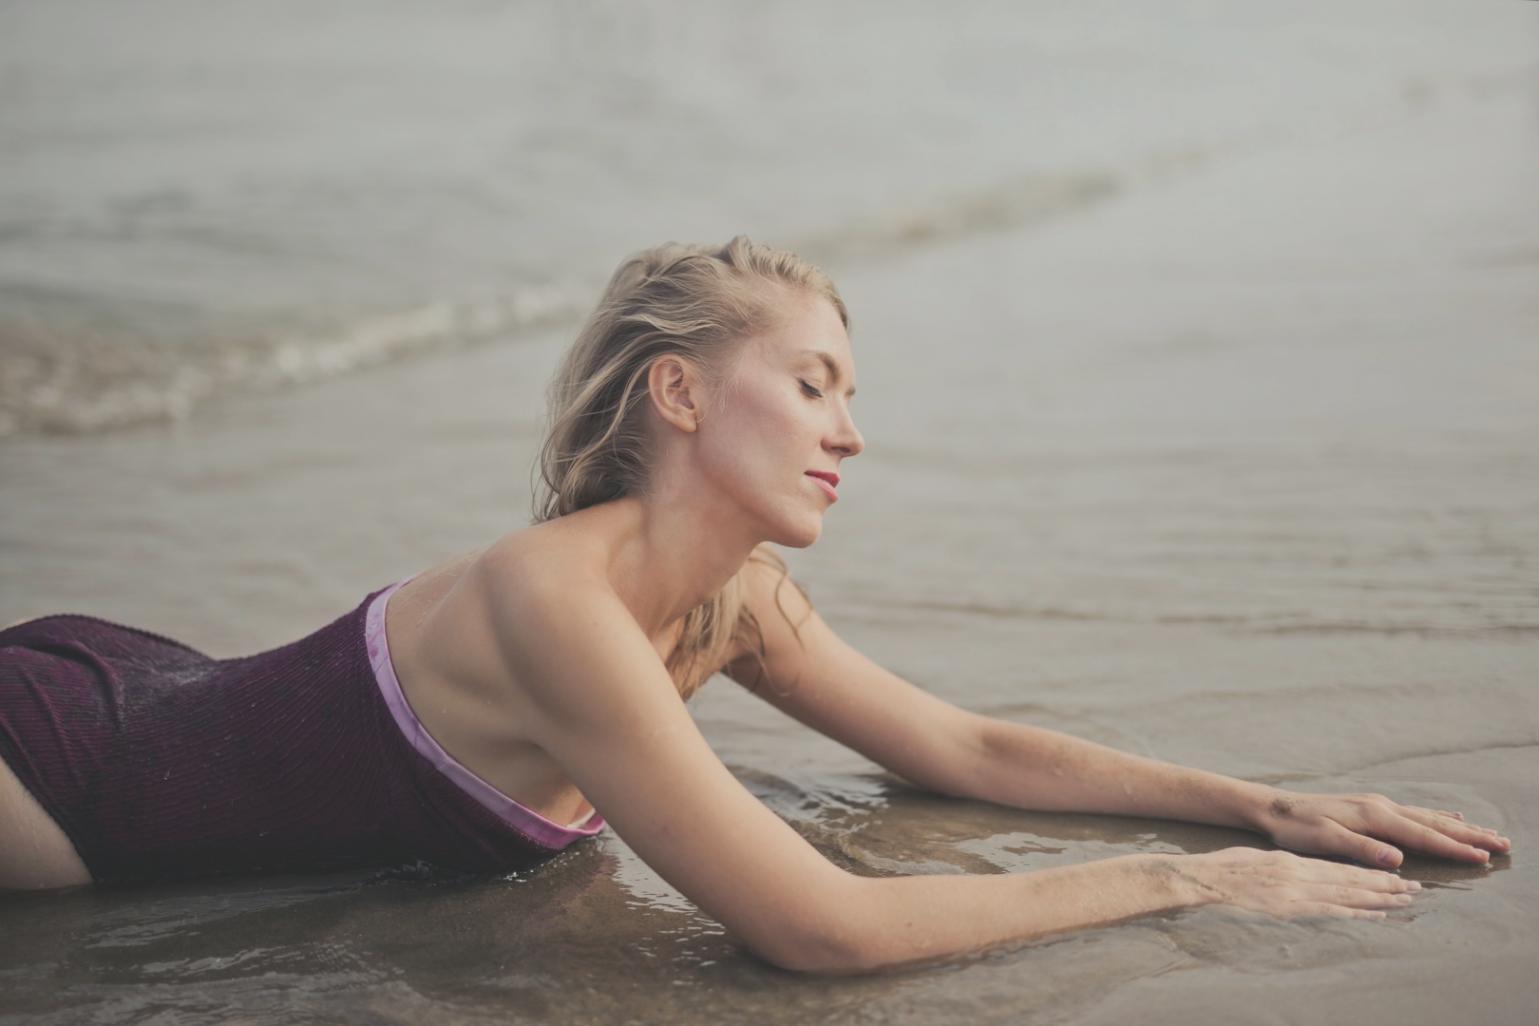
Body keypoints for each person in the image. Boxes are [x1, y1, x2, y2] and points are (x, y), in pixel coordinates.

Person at [0, 237, 1510, 973]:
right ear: (678, 392)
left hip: (166, 687)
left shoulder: (735, 600)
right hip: (57, 776)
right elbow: (819, 926)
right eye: (813, 384)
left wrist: (1261, 804)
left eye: (849, 393)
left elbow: (964, 749)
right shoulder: (551, 599)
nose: (850, 431)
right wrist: (1188, 884)